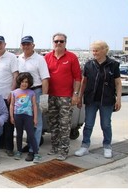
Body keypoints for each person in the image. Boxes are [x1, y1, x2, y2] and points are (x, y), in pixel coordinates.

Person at [75, 41, 121, 159]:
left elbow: (118, 83)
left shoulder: (113, 64)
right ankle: (85, 146)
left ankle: (107, 146)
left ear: (104, 50)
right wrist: (80, 97)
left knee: (106, 124)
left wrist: (119, 99)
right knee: (88, 124)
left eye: (96, 50)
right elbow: (84, 82)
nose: (94, 53)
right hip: (91, 99)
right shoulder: (89, 64)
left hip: (107, 100)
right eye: (93, 50)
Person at [44, 33, 81, 161]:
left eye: (61, 41)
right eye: (56, 41)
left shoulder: (72, 57)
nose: (58, 43)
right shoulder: (47, 57)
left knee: (64, 125)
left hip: (66, 97)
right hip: (51, 96)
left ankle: (63, 151)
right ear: (52, 42)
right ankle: (54, 147)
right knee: (53, 123)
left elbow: (77, 78)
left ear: (65, 42)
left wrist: (75, 94)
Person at [17, 35, 50, 161]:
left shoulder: (40, 59)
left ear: (33, 45)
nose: (26, 46)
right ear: (21, 46)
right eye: (24, 44)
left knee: (37, 122)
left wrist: (44, 97)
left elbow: (45, 79)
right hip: (23, 93)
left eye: (28, 44)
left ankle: (33, 150)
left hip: (36, 91)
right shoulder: (18, 58)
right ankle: (30, 144)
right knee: (25, 121)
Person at [0, 36, 18, 157]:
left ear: (5, 44)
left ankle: (9, 147)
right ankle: (0, 144)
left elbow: (16, 75)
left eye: (0, 43)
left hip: (7, 95)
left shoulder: (11, 57)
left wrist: (12, 92)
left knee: (9, 123)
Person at [10, 73, 40, 163]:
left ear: (29, 83)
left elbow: (34, 105)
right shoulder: (14, 92)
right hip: (17, 116)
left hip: (28, 116)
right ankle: (19, 151)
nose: (24, 84)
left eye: (26, 82)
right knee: (19, 134)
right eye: (22, 82)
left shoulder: (31, 93)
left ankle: (36, 153)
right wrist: (11, 116)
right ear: (19, 82)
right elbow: (12, 105)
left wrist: (35, 118)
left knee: (31, 135)